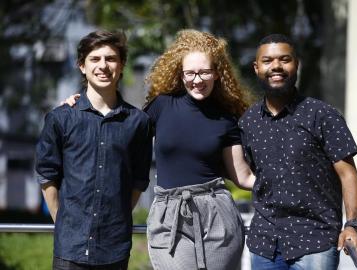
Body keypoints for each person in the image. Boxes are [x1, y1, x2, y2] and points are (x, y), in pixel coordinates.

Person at [62, 29, 255, 270]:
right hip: (169, 214)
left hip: (217, 212)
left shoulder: (226, 119)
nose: (197, 79)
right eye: (190, 73)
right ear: (180, 74)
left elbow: (243, 176)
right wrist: (78, 108)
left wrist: (287, 183)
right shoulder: (161, 107)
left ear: (217, 73)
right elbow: (119, 130)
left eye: (204, 72)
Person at [239, 34, 357, 270]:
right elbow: (257, 174)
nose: (276, 66)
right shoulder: (248, 122)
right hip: (265, 243)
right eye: (267, 61)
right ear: (256, 68)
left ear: (297, 64)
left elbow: (348, 174)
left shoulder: (322, 115)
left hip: (315, 241)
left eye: (284, 59)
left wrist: (352, 225)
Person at [35, 30, 152, 270]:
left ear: (121, 66)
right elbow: (47, 175)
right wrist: (65, 224)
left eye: (110, 59)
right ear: (82, 66)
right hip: (70, 247)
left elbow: (139, 180)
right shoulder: (61, 118)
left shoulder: (138, 122)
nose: (103, 66)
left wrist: (115, 218)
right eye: (95, 59)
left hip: (115, 248)